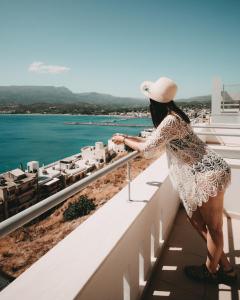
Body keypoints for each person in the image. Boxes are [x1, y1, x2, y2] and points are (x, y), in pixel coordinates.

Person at [112, 77, 237, 284]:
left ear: (153, 103)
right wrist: (129, 137)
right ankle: (224, 265)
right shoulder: (175, 115)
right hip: (210, 170)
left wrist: (124, 141)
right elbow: (156, 141)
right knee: (195, 219)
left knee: (214, 228)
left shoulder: (170, 120)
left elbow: (149, 150)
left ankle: (214, 271)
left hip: (209, 173)